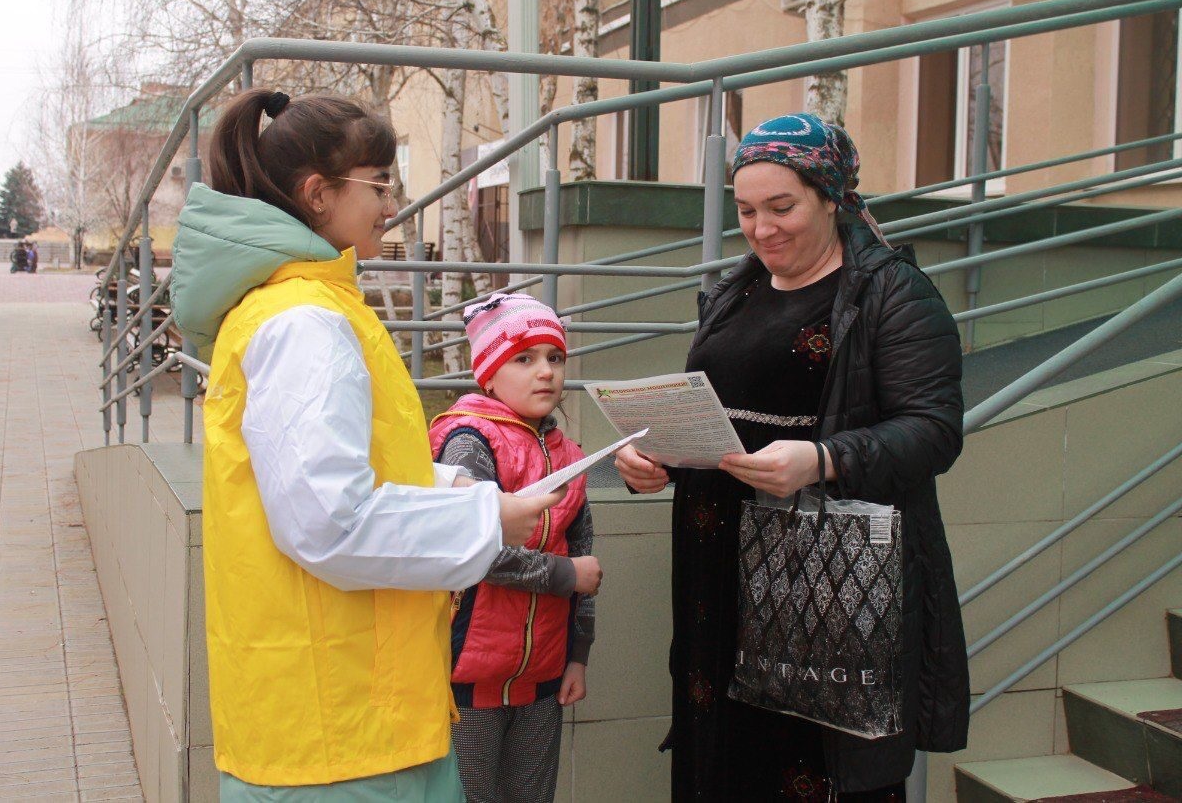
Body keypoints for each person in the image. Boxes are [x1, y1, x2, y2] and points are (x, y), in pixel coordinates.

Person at [169, 88, 563, 800]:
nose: (393, 203)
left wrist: (456, 489)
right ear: (317, 194)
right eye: (379, 184)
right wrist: (487, 518)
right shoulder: (305, 321)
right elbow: (330, 520)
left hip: (347, 722)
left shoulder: (304, 307)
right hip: (343, 738)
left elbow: (339, 478)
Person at [615, 113, 970, 799]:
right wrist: (652, 465)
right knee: (722, 759)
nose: (761, 228)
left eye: (783, 207)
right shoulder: (732, 293)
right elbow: (713, 415)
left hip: (824, 585)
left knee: (813, 764)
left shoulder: (891, 294)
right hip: (717, 581)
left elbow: (934, 431)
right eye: (747, 210)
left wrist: (821, 459)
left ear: (831, 198)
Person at [428, 293, 602, 803]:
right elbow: (474, 544)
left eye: (555, 357)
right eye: (523, 359)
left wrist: (578, 656)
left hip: (543, 679)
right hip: (466, 681)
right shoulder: (469, 442)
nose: (544, 372)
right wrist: (562, 575)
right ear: (487, 373)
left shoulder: (569, 454)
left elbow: (584, 556)